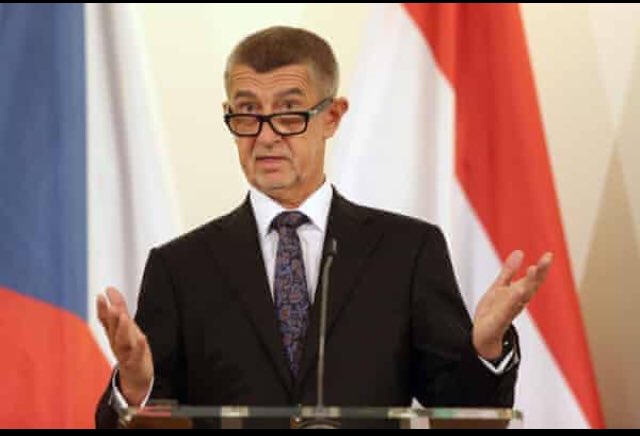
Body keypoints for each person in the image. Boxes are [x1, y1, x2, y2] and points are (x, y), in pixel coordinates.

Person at [95, 26, 553, 429]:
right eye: (248, 112)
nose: (266, 136)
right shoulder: (180, 268)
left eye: (289, 113)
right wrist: (135, 387)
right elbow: (140, 424)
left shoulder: (408, 251)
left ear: (331, 117)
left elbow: (463, 409)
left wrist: (485, 350)